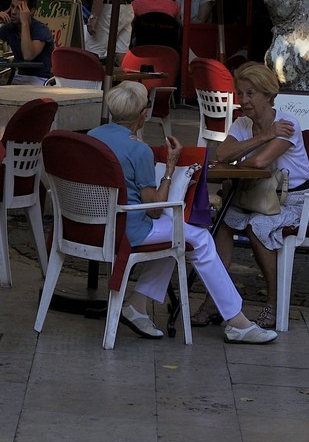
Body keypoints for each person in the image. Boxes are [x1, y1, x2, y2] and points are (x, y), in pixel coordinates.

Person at [90, 81, 276, 342]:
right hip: (127, 227)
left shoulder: (93, 136)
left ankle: (137, 303)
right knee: (198, 236)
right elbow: (155, 208)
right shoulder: (138, 149)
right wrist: (169, 168)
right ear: (143, 114)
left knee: (177, 237)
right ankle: (237, 321)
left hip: (90, 225)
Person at [211, 61, 309, 329]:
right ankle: (215, 303)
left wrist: (242, 156)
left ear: (268, 95)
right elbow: (221, 155)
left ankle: (273, 303)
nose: (244, 100)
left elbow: (260, 163)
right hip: (259, 199)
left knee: (257, 225)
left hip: (300, 203)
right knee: (222, 221)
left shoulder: (287, 124)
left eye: (251, 94)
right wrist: (263, 137)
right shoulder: (242, 123)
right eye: (241, 93)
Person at [0, 0, 52, 77]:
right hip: (19, 78)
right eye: (12, 7)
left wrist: (24, 23)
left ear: (31, 11)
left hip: (40, 79)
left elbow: (28, 56)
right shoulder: (10, 27)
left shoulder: (41, 29)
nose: (13, 12)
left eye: (19, 8)